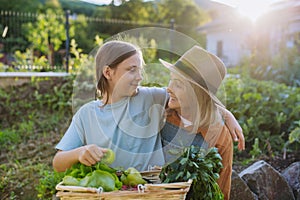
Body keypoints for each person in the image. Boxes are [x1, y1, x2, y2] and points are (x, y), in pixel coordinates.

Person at [53, 40, 244, 173]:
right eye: (131, 70)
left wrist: (227, 115)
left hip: (155, 192)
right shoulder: (86, 114)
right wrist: (79, 153)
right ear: (108, 72)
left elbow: (194, 96)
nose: (140, 77)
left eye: (140, 70)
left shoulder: (150, 97)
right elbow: (58, 162)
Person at [159, 45, 235, 200]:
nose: (169, 88)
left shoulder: (219, 135)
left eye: (179, 85)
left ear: (198, 95)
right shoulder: (162, 112)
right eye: (171, 80)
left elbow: (221, 190)